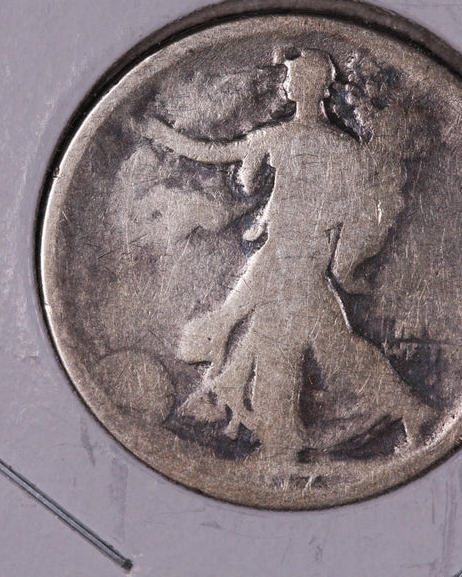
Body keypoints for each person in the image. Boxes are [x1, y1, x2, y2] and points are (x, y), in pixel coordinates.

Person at [144, 49, 432, 461]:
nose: (287, 83)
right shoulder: (340, 148)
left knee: (299, 351)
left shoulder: (285, 139)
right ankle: (291, 443)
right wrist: (343, 265)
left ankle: (285, 447)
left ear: (308, 87)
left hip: (290, 258)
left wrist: (160, 133)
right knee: (312, 349)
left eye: (293, 77)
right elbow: (358, 213)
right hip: (302, 258)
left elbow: (215, 153)